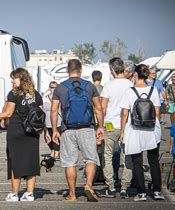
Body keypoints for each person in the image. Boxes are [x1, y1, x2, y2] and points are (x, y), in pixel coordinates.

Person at [0, 68, 44, 202]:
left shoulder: (14, 93)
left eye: (14, 78)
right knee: (31, 162)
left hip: (17, 131)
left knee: (15, 162)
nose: (12, 80)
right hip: (32, 133)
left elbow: (8, 113)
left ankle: (15, 194)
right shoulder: (36, 94)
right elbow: (40, 113)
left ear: (21, 78)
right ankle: (29, 194)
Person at [51, 59, 104, 202]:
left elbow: (54, 110)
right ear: (80, 70)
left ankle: (72, 194)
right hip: (87, 128)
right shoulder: (90, 86)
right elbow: (98, 108)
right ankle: (88, 185)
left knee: (69, 162)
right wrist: (100, 126)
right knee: (91, 158)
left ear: (67, 70)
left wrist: (55, 130)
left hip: (68, 129)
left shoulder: (60, 87)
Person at [120, 64, 165, 201]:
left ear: (135, 75)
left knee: (137, 161)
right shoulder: (153, 90)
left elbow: (124, 114)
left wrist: (122, 132)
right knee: (153, 160)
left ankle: (142, 193)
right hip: (152, 130)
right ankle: (157, 191)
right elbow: (157, 113)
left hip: (135, 130)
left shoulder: (129, 91)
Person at [100, 57, 133, 199]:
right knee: (128, 157)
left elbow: (103, 107)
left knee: (107, 155)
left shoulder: (108, 85)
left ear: (112, 69)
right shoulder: (130, 84)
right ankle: (125, 187)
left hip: (110, 124)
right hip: (127, 126)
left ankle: (111, 187)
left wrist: (100, 126)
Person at [43, 81, 61, 160]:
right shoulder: (45, 98)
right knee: (48, 137)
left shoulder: (60, 98)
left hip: (58, 121)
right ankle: (52, 150)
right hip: (47, 121)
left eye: (55, 87)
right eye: (51, 87)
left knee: (56, 136)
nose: (53, 89)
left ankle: (56, 151)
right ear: (49, 88)